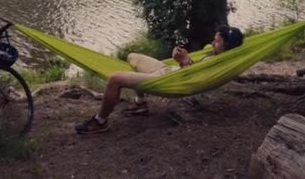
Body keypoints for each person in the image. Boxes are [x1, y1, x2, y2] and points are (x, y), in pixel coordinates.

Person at [75, 25, 244, 134]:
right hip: (169, 70)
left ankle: (100, 121)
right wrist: (181, 59)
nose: (213, 43)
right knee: (132, 57)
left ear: (228, 46)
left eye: (217, 41)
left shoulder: (221, 66)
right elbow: (192, 67)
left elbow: (193, 81)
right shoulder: (215, 54)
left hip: (169, 80)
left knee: (115, 78)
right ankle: (140, 104)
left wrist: (184, 61)